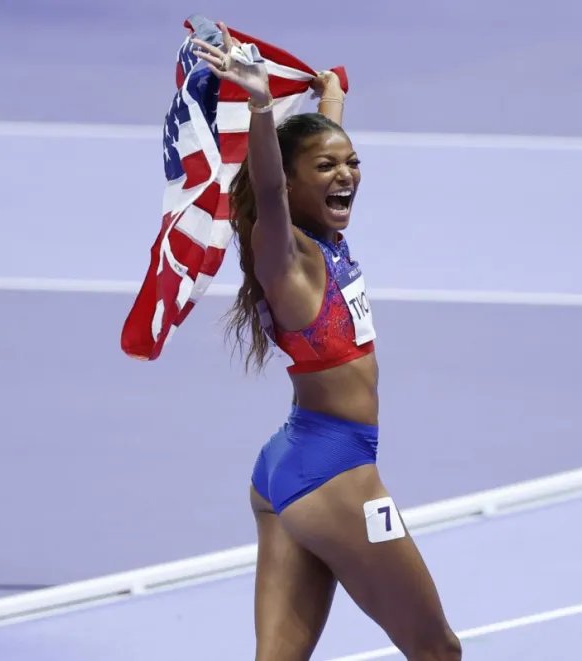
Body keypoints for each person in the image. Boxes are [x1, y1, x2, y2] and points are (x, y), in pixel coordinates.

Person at [191, 24, 462, 661]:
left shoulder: (327, 238)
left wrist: (330, 101)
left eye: (353, 163)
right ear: (289, 186)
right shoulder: (285, 257)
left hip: (290, 462)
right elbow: (271, 183)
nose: (347, 176)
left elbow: (309, 163)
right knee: (438, 651)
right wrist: (261, 105)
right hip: (335, 475)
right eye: (329, 168)